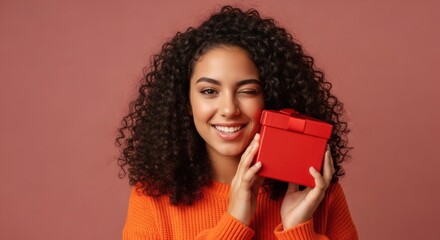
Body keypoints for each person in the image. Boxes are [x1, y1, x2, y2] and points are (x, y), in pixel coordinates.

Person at [116, 5, 358, 239]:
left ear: (270, 98)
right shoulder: (153, 198)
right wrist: (234, 223)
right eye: (209, 91)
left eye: (248, 91)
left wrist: (298, 230)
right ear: (185, 101)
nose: (229, 109)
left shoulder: (316, 192)